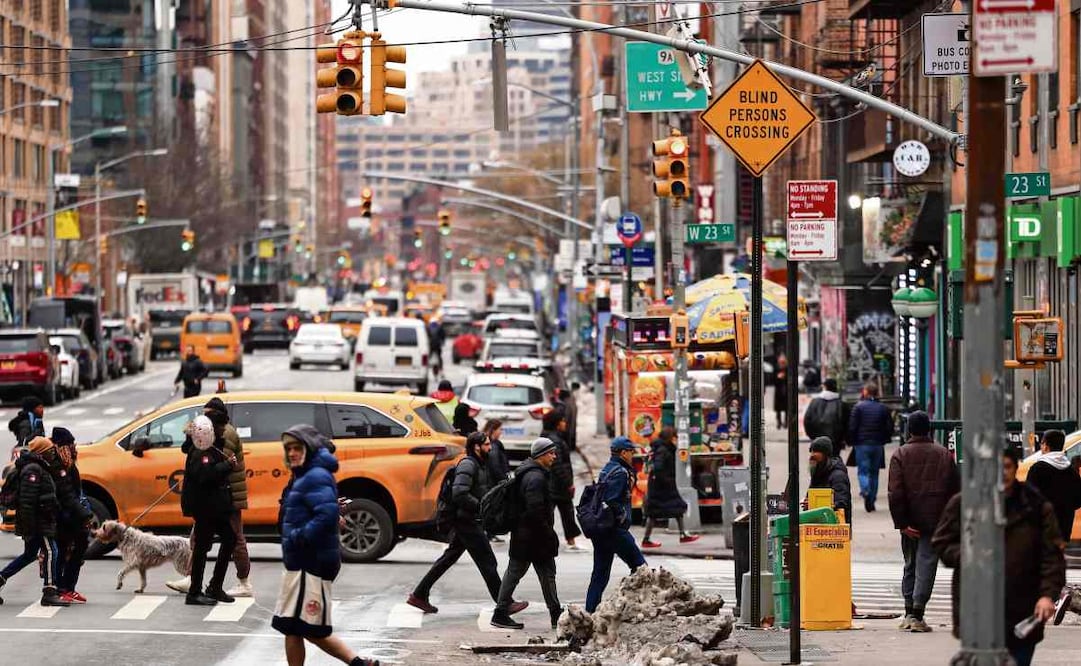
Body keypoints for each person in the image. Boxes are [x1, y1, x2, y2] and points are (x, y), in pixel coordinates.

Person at [933, 449, 1065, 666]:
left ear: (1015, 469)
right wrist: (970, 556)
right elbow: (942, 542)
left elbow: (1052, 556)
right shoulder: (966, 503)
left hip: (1022, 608)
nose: (1001, 473)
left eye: (1007, 467)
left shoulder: (1036, 506)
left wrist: (1047, 595)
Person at [273, 424, 378, 666]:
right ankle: (360, 664)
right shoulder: (307, 474)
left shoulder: (315, 475)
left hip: (309, 562)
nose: (291, 454)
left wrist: (299, 536)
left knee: (301, 627)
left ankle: (359, 663)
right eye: (288, 449)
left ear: (309, 449)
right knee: (298, 626)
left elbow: (326, 516)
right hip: (304, 562)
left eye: (297, 448)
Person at [407, 432, 528, 615]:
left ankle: (419, 595)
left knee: (448, 558)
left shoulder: (480, 464)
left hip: (467, 519)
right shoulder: (468, 464)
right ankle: (504, 604)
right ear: (476, 447)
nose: (490, 448)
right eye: (487, 445)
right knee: (488, 562)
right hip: (466, 521)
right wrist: (480, 507)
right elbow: (459, 493)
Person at [168, 398, 253, 598]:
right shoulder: (203, 441)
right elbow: (206, 471)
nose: (204, 417)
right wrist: (192, 435)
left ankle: (237, 582)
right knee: (203, 542)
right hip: (209, 501)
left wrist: (227, 464)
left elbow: (215, 466)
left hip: (224, 498)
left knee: (231, 539)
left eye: (208, 414)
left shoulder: (222, 435)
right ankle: (197, 585)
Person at [886, 411, 958, 632]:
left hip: (909, 522)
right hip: (935, 521)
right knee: (927, 565)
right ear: (929, 429)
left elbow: (895, 493)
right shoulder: (944, 455)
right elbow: (955, 490)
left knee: (910, 564)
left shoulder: (900, 455)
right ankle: (918, 613)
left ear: (909, 430)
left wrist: (902, 522)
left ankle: (908, 612)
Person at [0, 436, 90, 606]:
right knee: (51, 552)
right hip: (38, 523)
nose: (53, 453)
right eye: (50, 450)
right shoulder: (33, 470)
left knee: (29, 555)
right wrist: (30, 527)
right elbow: (27, 502)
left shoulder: (41, 467)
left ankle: (1, 578)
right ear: (43, 452)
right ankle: (49, 592)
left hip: (40, 521)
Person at [490, 437, 563, 631]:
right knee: (544, 575)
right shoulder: (535, 478)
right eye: (551, 453)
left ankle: (501, 612)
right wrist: (548, 533)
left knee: (519, 573)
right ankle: (554, 613)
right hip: (534, 537)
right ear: (541, 455)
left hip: (524, 535)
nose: (554, 456)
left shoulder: (528, 472)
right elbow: (535, 510)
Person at [180, 415, 237, 605]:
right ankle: (195, 591)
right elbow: (206, 476)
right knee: (202, 548)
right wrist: (227, 465)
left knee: (229, 539)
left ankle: (214, 586)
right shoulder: (199, 452)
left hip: (215, 507)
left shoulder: (209, 447)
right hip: (205, 508)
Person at [585, 437, 647, 612]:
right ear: (623, 452)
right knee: (641, 568)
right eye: (631, 452)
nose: (633, 455)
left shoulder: (607, 469)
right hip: (614, 530)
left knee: (600, 574)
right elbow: (612, 501)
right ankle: (638, 608)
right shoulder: (620, 472)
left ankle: (590, 612)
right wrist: (621, 517)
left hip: (602, 529)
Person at [53, 427, 93, 604]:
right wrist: (85, 515)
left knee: (77, 551)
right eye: (71, 444)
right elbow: (68, 495)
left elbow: (78, 493)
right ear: (63, 446)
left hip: (73, 517)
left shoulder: (69, 465)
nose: (74, 446)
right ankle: (62, 588)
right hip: (65, 519)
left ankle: (69, 588)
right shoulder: (59, 466)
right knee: (63, 552)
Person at [642, 426, 699, 547]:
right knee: (655, 511)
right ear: (670, 438)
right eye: (675, 437)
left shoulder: (663, 448)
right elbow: (659, 467)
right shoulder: (663, 450)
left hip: (661, 485)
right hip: (661, 486)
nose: (676, 440)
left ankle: (682, 535)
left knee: (676, 507)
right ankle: (646, 539)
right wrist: (666, 480)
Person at [1025, 429, 1081, 547]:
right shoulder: (1070, 471)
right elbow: (1078, 500)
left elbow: (1028, 498)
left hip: (1042, 528)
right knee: (1058, 560)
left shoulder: (1037, 469)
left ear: (1045, 446)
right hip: (1064, 527)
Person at [848, 382, 894, 512]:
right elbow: (889, 426)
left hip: (862, 444)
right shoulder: (883, 408)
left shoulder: (858, 407)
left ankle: (866, 490)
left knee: (863, 471)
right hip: (878, 444)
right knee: (874, 473)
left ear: (865, 392)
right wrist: (885, 439)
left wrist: (852, 440)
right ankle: (872, 499)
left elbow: (852, 426)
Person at [541, 410, 581, 550]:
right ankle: (569, 541)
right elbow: (558, 465)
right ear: (557, 424)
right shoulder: (555, 440)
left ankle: (569, 540)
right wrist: (568, 483)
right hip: (557, 485)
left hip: (552, 484)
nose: (565, 423)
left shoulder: (550, 437)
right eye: (563, 421)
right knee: (565, 512)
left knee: (557, 513)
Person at [806, 436, 852, 524]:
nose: (812, 455)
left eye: (816, 451)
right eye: (811, 451)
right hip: (819, 525)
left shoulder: (837, 475)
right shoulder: (817, 473)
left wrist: (817, 504)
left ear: (825, 454)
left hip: (834, 528)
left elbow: (841, 503)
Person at [804, 378, 849, 460]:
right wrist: (843, 438)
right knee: (833, 461)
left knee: (818, 463)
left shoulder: (815, 402)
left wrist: (812, 436)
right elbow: (847, 423)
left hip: (818, 439)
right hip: (835, 441)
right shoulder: (841, 404)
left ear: (824, 387)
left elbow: (807, 420)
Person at [482, 419, 510, 484]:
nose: (501, 432)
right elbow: (495, 466)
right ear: (493, 430)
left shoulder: (494, 444)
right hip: (496, 482)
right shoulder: (493, 446)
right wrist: (504, 479)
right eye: (500, 429)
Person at [772, 354, 788, 429]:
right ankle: (779, 422)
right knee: (778, 409)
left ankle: (786, 422)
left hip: (786, 391)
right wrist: (777, 377)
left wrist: (785, 377)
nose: (782, 363)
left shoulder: (787, 369)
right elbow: (772, 380)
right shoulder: (776, 368)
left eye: (783, 362)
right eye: (780, 362)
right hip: (778, 391)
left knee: (786, 409)